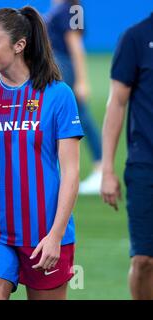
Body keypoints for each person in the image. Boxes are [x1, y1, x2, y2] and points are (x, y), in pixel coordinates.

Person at [0, 6, 84, 300]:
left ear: (19, 45)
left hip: (45, 235)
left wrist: (55, 236)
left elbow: (71, 172)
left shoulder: (58, 95)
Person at [100, 13, 153, 300]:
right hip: (145, 165)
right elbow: (117, 102)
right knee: (144, 260)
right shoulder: (135, 38)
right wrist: (107, 169)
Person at [45, 0, 102, 195]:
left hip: (64, 67)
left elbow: (75, 45)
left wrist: (82, 80)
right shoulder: (62, 8)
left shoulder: (71, 8)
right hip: (59, 66)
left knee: (78, 116)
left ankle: (101, 169)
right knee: (74, 116)